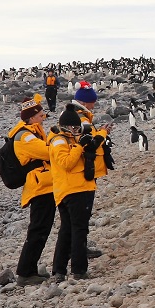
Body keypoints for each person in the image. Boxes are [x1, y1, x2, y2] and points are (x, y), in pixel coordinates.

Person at [48, 104, 105, 281]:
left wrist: (98, 137)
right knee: (79, 229)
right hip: (74, 190)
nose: (76, 130)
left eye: (77, 127)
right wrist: (79, 147)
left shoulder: (68, 138)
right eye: (73, 127)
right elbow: (66, 163)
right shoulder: (59, 141)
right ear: (65, 126)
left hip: (70, 189)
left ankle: (59, 271)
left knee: (66, 230)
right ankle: (79, 270)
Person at [11, 94, 54, 286]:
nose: (43, 116)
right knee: (38, 229)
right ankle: (25, 273)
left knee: (41, 228)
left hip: (45, 184)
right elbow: (46, 151)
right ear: (32, 116)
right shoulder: (25, 136)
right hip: (39, 187)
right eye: (40, 113)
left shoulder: (34, 131)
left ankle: (30, 269)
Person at [71, 81, 114, 258]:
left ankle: (77, 249)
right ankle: (78, 252)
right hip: (83, 171)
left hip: (83, 170)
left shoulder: (78, 116)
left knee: (77, 218)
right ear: (86, 102)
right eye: (93, 102)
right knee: (81, 215)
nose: (94, 105)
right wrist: (103, 133)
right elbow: (89, 143)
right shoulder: (80, 118)